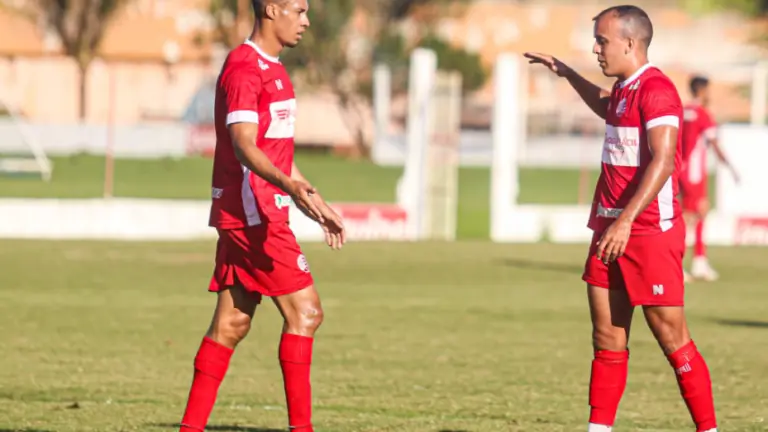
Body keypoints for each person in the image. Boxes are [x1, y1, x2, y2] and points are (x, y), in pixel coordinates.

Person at [525, 5, 717, 432]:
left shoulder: (658, 90)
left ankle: (709, 429)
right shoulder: (626, 90)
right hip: (609, 228)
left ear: (629, 43)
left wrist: (627, 221)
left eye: (602, 40)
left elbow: (664, 161)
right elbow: (606, 105)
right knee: (607, 338)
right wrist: (569, 74)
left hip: (647, 232)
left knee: (673, 340)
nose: (596, 49)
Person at [177, 1, 346, 431]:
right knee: (305, 312)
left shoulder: (278, 71)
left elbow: (276, 156)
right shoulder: (244, 68)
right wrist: (287, 189)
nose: (306, 20)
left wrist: (316, 202)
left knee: (231, 323)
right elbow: (244, 144)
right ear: (272, 9)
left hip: (255, 209)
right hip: (254, 212)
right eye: (299, 9)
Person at [680, 75, 739, 282]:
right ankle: (678, 263)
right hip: (694, 173)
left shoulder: (684, 111)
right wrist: (730, 166)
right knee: (689, 217)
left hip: (682, 169)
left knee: (699, 213)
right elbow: (713, 142)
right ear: (703, 91)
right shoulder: (703, 114)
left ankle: (699, 261)